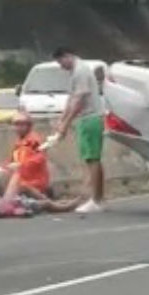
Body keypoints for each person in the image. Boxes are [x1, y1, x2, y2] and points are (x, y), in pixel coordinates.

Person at [50, 47, 105, 213]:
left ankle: (95, 199)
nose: (61, 66)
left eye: (60, 62)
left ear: (67, 56)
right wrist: (62, 119)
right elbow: (71, 99)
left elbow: (79, 100)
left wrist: (66, 124)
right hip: (86, 119)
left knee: (92, 159)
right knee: (93, 158)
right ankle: (99, 198)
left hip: (90, 117)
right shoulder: (76, 72)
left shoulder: (81, 71)